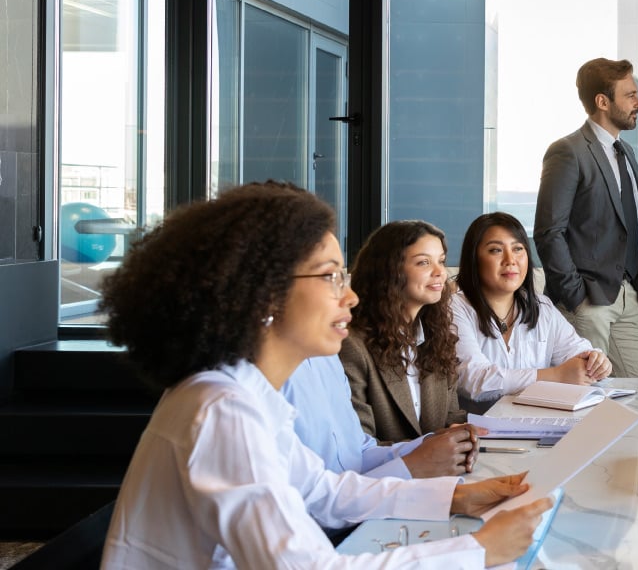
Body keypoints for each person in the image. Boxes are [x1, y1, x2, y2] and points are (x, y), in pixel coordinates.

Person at [98, 181, 551, 568]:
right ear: (263, 294)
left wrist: (454, 498)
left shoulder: (243, 389)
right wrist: (477, 549)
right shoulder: (221, 408)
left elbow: (322, 490)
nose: (351, 296)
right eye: (331, 276)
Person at [534, 57, 638, 378]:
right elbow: (548, 232)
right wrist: (576, 297)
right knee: (585, 396)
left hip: (628, 295)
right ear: (603, 101)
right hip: (587, 302)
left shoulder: (625, 152)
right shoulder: (567, 151)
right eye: (630, 95)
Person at [451, 212, 612, 401]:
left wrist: (596, 361)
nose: (510, 260)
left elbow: (577, 352)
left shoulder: (541, 306)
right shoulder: (454, 308)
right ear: (474, 259)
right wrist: (556, 376)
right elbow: (473, 380)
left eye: (518, 249)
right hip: (477, 427)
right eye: (496, 250)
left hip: (539, 422)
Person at [342, 220, 469, 445]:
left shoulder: (438, 336)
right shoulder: (353, 346)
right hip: (386, 476)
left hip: (440, 473)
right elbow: (358, 446)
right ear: (389, 271)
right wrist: (427, 452)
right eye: (423, 263)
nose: (440, 272)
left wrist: (464, 435)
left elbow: (450, 418)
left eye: (441, 261)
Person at [284, 355, 484, 479]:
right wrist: (412, 467)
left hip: (365, 506)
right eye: (334, 284)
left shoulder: (327, 359)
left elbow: (359, 452)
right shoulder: (265, 381)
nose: (351, 297)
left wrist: (436, 445)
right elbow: (319, 498)